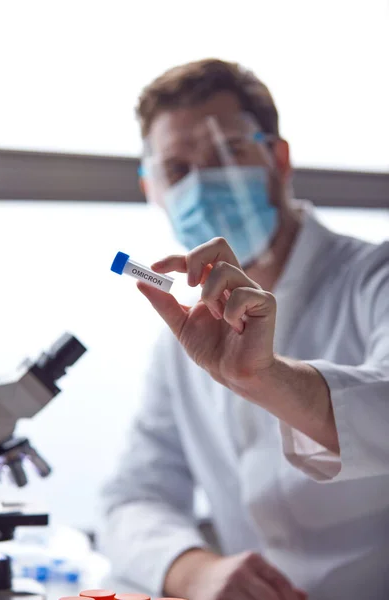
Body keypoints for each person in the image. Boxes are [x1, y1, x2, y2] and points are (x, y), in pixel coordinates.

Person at [101, 59, 389, 600]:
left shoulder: (375, 278)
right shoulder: (181, 343)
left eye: (228, 153)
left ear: (278, 159)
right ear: (152, 189)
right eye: (178, 170)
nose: (203, 186)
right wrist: (193, 570)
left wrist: (268, 378)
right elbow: (133, 497)